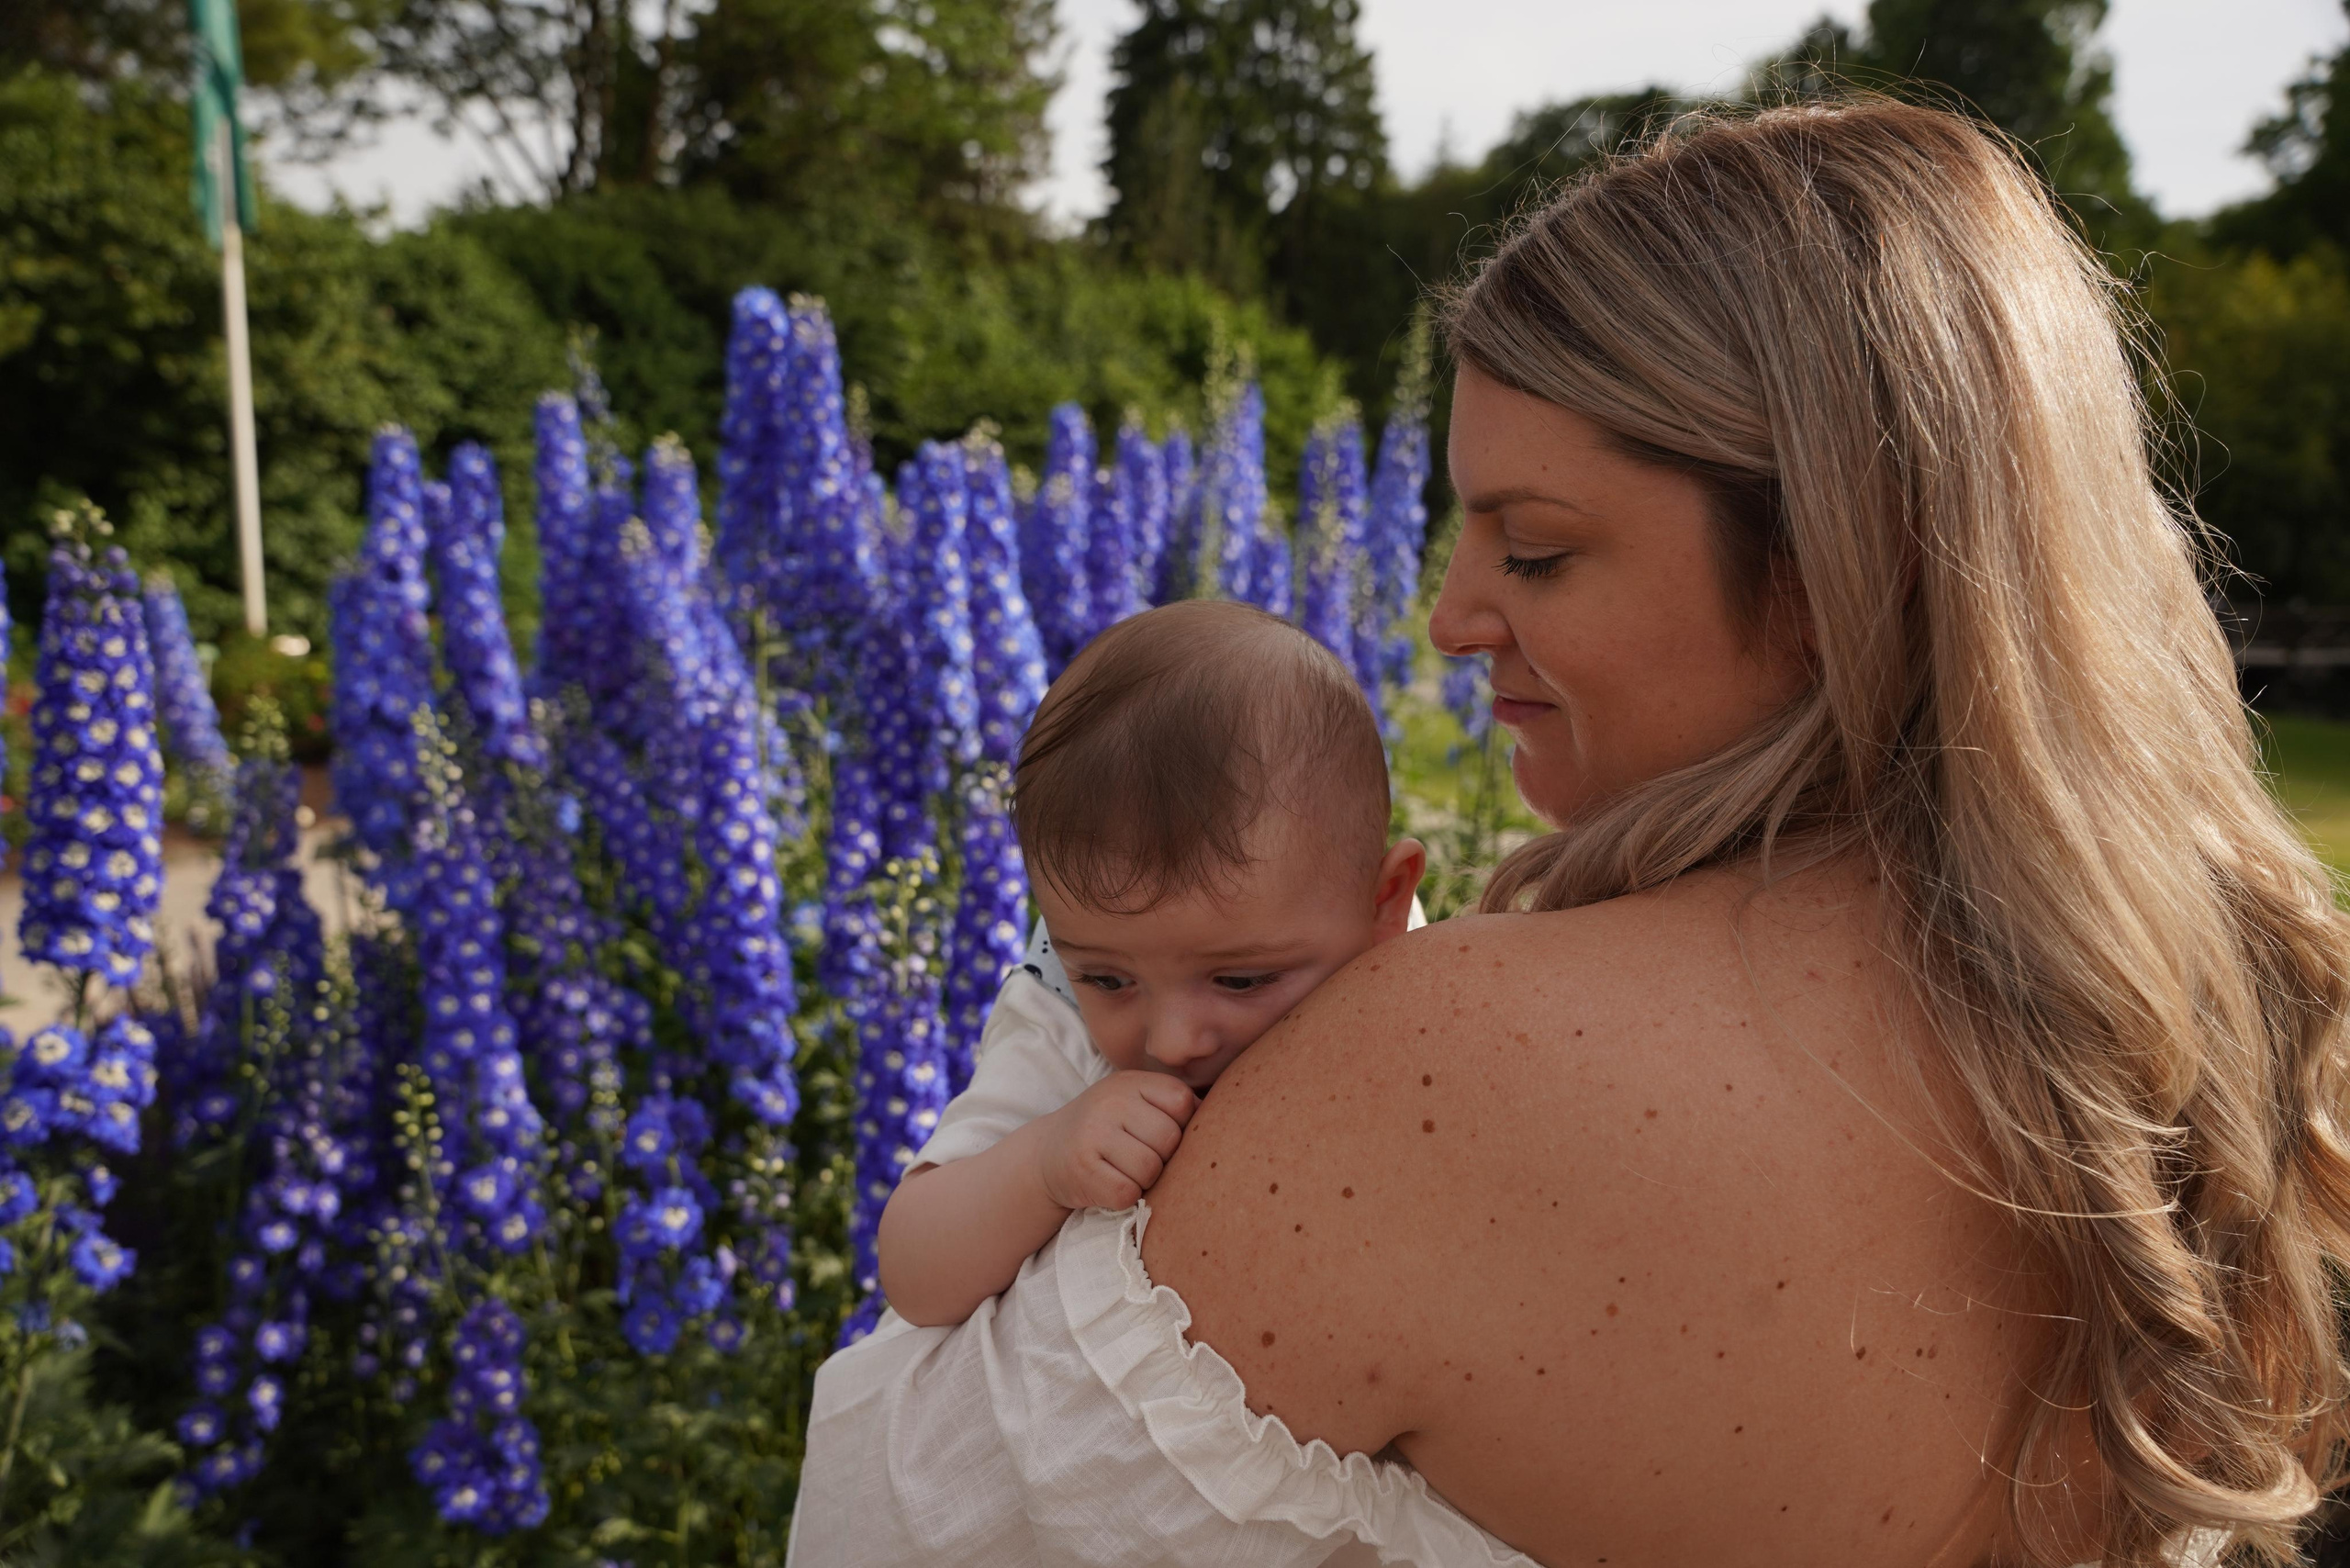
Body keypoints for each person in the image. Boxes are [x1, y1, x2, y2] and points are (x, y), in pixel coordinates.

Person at [789, 98, 2350, 1568]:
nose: (1454, 616)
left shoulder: (1440, 1066)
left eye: (1536, 551)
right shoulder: (2201, 1054)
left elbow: (902, 1524)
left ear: (1829, 571)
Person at [874, 599, 1427, 1328]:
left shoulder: (1423, 985)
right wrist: (1043, 1163)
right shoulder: (1056, 1025)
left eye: (1240, 980)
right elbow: (913, 1276)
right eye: (1108, 979)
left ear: (1386, 902)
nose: (1170, 1041)